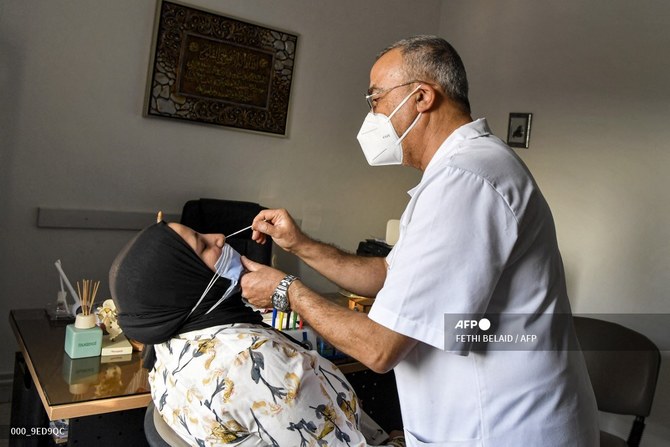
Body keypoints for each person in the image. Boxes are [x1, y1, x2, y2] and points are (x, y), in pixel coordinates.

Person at [240, 35, 599, 446]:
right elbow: (389, 274)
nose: (371, 115)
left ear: (422, 97)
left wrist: (285, 290)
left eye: (375, 99)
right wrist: (299, 244)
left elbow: (379, 348)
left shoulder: (467, 180)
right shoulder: (457, 172)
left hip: (505, 429)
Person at [109, 220, 405, 447]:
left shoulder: (164, 348)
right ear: (182, 282)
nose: (218, 237)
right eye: (202, 246)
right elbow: (380, 352)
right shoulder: (254, 362)